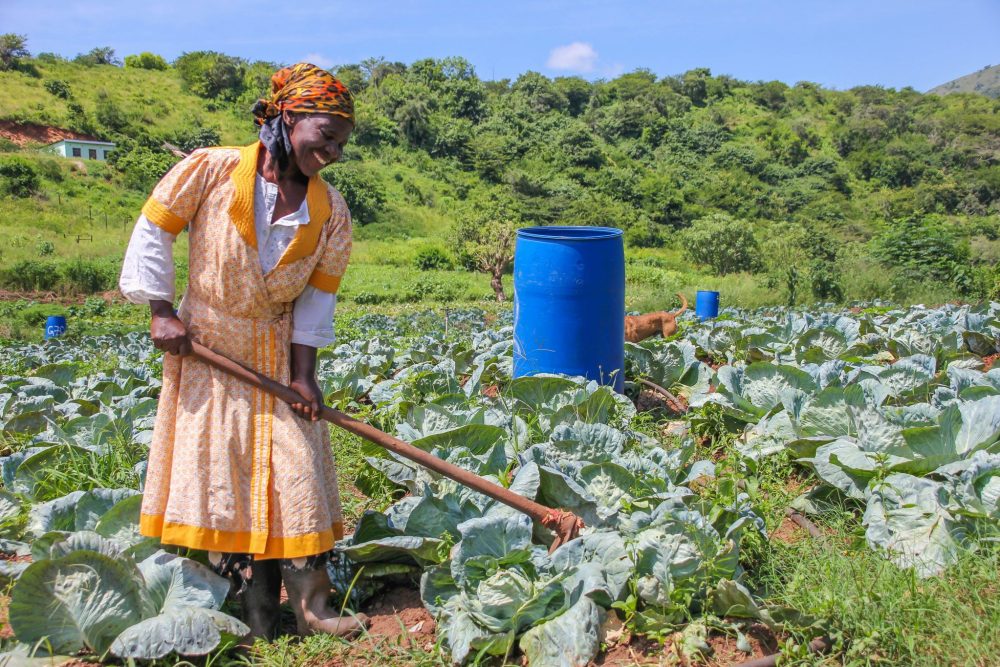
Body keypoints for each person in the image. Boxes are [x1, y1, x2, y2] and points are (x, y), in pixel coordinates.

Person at [118, 63, 368, 640]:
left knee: (297, 470)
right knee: (220, 481)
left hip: (277, 355)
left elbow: (315, 302)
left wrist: (304, 375)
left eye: (340, 143)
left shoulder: (329, 211)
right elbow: (154, 230)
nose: (330, 151)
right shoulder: (210, 170)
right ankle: (250, 614)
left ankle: (313, 610)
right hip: (206, 349)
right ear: (287, 117)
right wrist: (161, 311)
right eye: (324, 135)